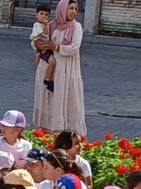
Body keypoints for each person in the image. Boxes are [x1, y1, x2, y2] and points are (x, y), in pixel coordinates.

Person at [33, 0, 86, 133]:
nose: (74, 12)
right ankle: (46, 132)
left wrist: (55, 47)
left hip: (66, 70)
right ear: (62, 9)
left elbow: (74, 48)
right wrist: (38, 44)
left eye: (75, 9)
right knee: (49, 100)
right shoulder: (51, 25)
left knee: (66, 100)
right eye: (70, 8)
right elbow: (37, 39)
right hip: (47, 69)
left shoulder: (76, 27)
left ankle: (65, 133)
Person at [30, 3, 55, 92]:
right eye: (41, 14)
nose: (44, 16)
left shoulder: (46, 24)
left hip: (46, 48)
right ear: (36, 15)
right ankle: (47, 80)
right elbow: (43, 37)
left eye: (46, 15)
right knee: (52, 62)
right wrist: (46, 26)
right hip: (43, 49)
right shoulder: (37, 25)